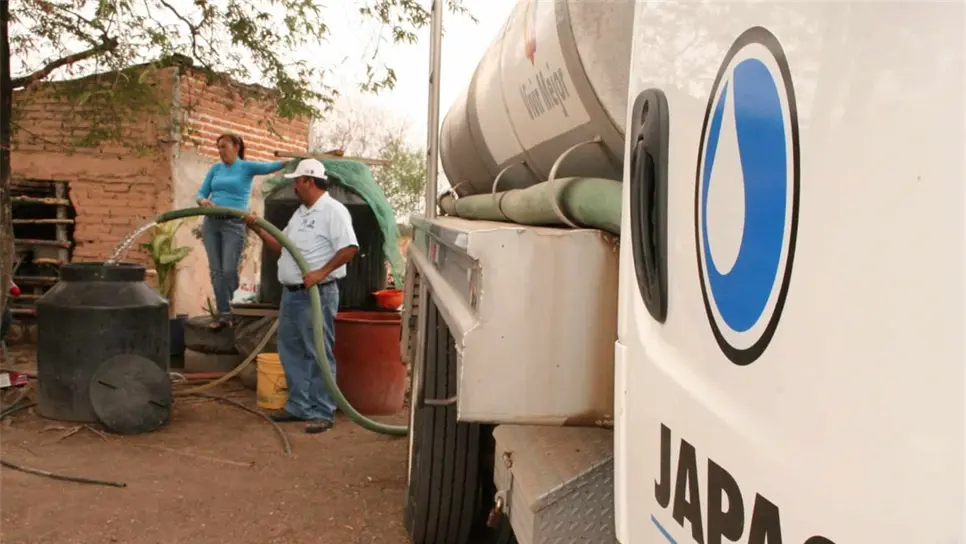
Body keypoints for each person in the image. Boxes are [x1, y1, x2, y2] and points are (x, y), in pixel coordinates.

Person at [244, 158, 359, 434]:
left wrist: (321, 272)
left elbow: (350, 248)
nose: (294, 186)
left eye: (297, 181)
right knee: (290, 350)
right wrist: (258, 228)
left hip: (317, 295)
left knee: (317, 351)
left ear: (308, 180)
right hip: (292, 295)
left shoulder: (334, 211)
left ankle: (322, 411)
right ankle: (299, 406)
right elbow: (280, 246)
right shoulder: (300, 214)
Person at [196, 133, 286, 329]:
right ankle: (224, 314)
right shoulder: (215, 169)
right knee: (216, 272)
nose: (220, 151)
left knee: (228, 270)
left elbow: (272, 166)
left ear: (236, 146)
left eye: (224, 146)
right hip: (212, 223)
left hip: (233, 224)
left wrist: (295, 160)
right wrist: (203, 200)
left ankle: (230, 304)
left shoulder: (246, 167)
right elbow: (201, 193)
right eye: (218, 147)